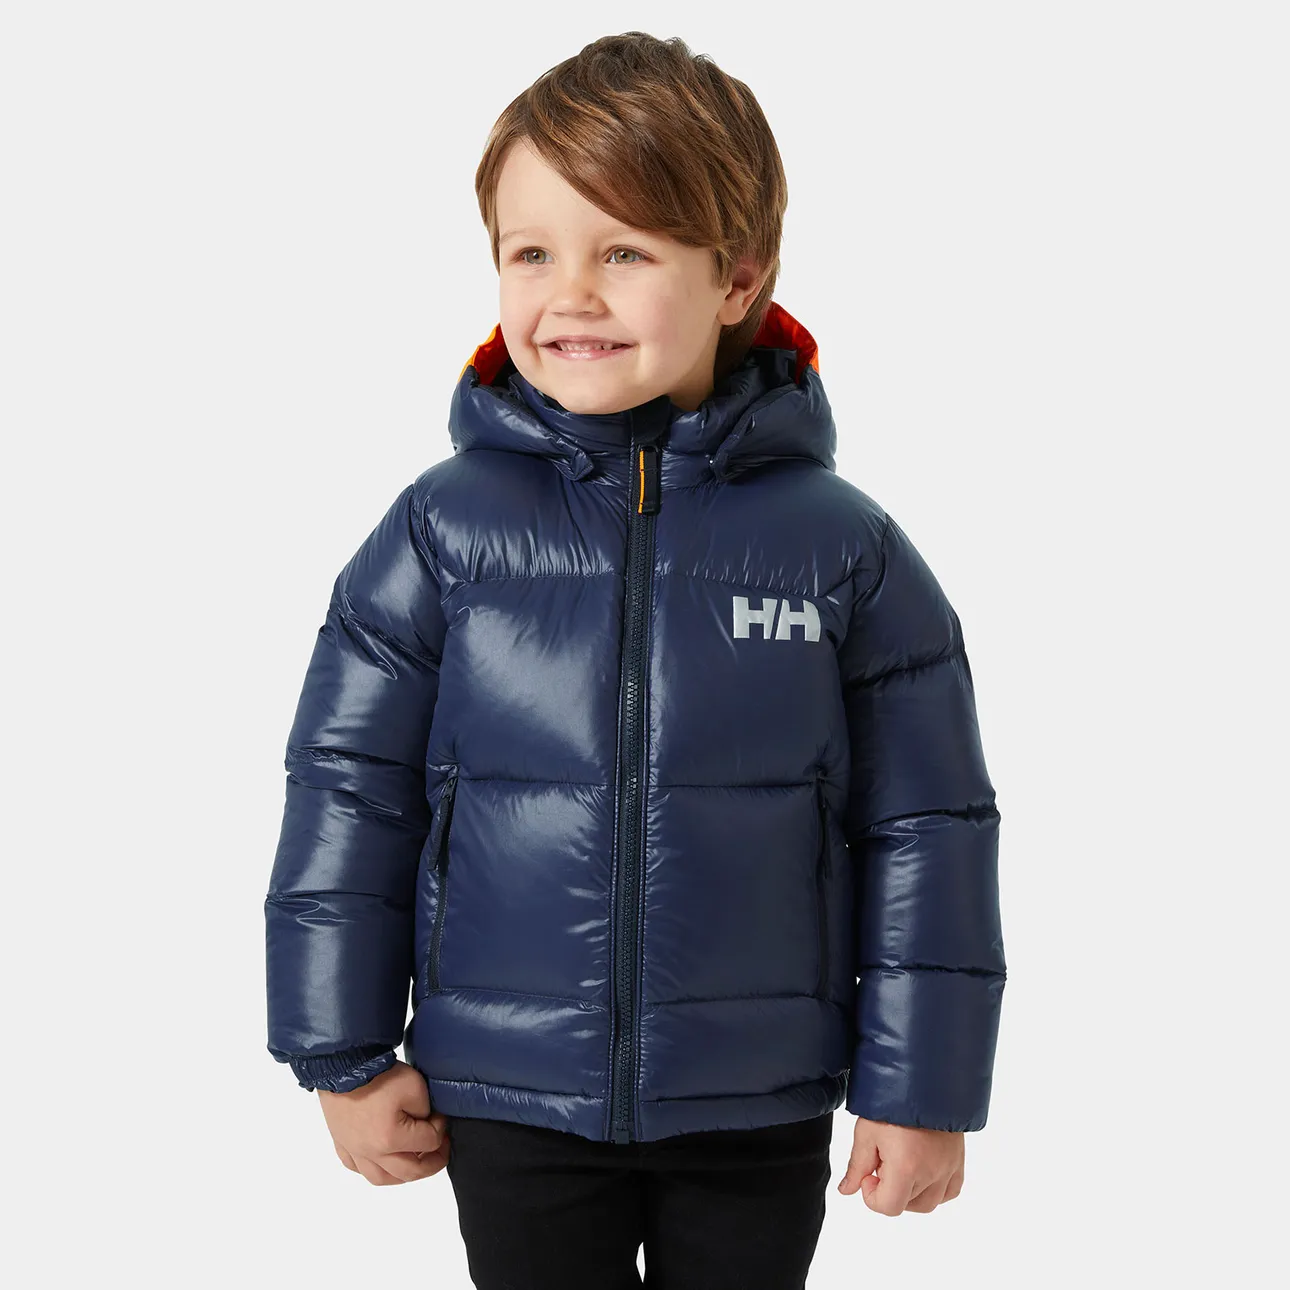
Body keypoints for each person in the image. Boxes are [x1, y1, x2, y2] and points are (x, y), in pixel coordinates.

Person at [264, 29, 1006, 1290]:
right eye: (532, 253)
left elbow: (928, 827)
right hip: (509, 1097)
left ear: (737, 276)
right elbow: (349, 788)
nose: (571, 294)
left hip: (757, 1102)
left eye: (624, 252)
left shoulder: (842, 550)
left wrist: (922, 1084)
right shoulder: (442, 533)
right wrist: (340, 1051)